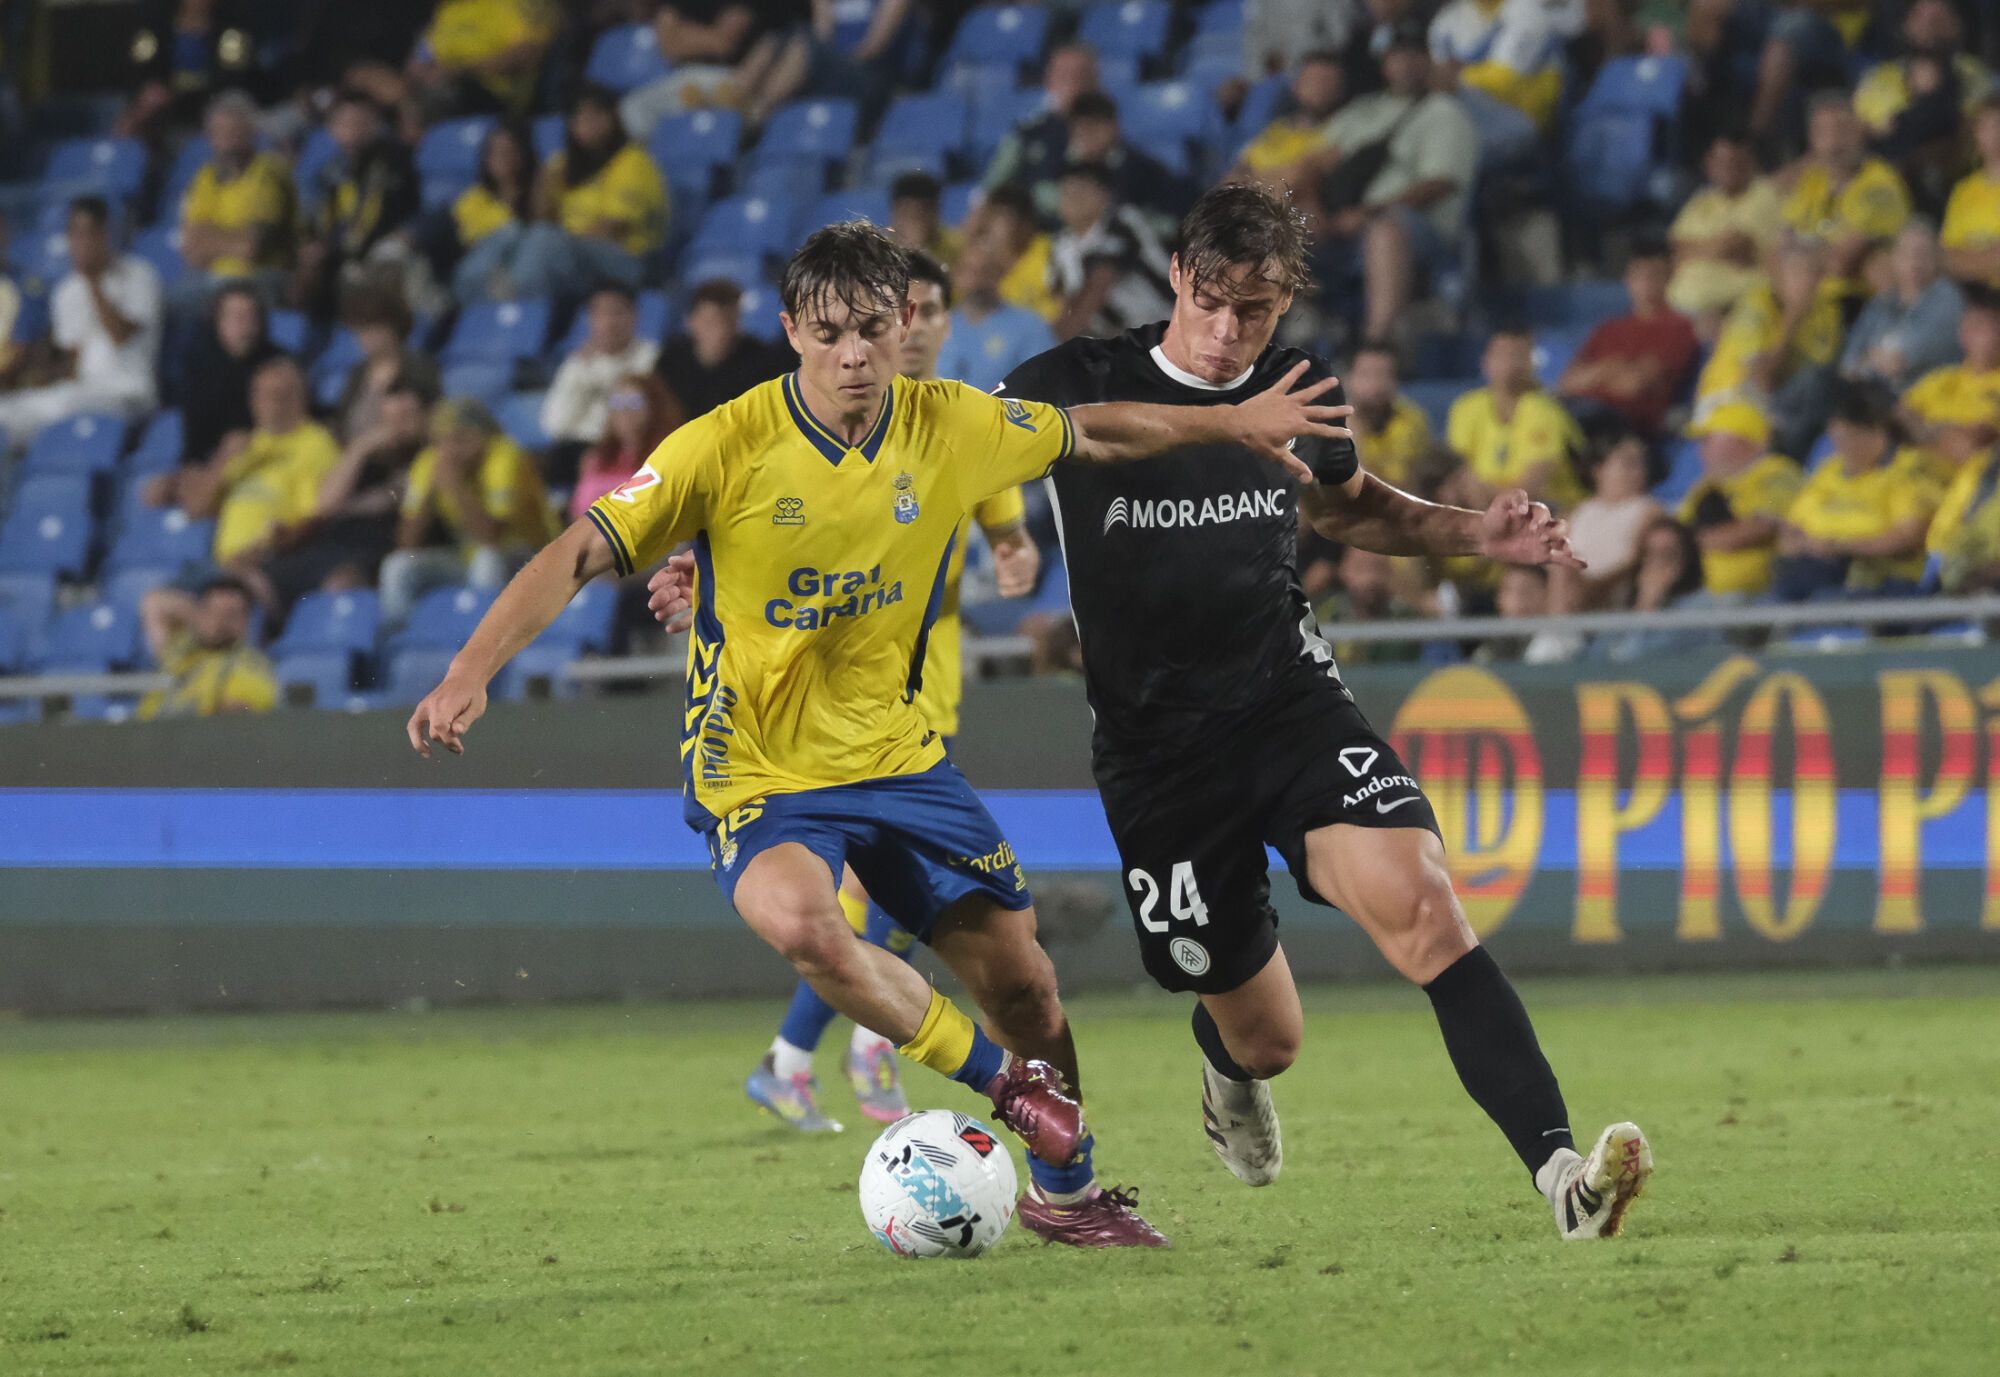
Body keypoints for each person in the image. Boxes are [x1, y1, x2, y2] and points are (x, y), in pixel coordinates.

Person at [407, 220, 1341, 1249]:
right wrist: (468, 669)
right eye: (826, 332)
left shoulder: (948, 425)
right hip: (756, 766)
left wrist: (1227, 423)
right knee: (804, 923)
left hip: (900, 758)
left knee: (1024, 987)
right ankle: (1002, 1090)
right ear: (789, 333)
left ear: (905, 323)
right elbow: (580, 551)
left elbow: (1100, 429)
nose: (851, 354)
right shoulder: (721, 446)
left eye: (868, 329)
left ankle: (1067, 1192)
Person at [930, 181, 1647, 1241]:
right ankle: (1226, 1069)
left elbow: (1346, 507)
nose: (1227, 333)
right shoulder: (1069, 377)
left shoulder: (1299, 395)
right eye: (1211, 301)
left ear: (1283, 306)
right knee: (1265, 1038)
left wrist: (1469, 537)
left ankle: (1559, 1180)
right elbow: (1047, 441)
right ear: (1176, 276)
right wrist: (1224, 420)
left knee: (1423, 906)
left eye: (1254, 313)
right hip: (1157, 757)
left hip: (1286, 704)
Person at [718, 252, 1044, 1132]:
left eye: (934, 311)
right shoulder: (811, 428)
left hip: (923, 675)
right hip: (836, 701)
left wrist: (1014, 551)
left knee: (893, 882)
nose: (926, 324)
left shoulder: (957, 424)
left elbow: (1005, 529)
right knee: (883, 881)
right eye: (919, 308)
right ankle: (850, 1046)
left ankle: (806, 1053)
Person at [1288, 21, 1480, 348]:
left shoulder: (1445, 112)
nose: (1404, 62)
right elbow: (1313, 165)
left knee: (1385, 231)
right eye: (1395, 55)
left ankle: (1377, 343)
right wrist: (1312, 207)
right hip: (1344, 220)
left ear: (1427, 60)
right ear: (1384, 63)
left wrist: (1366, 213)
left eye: (1413, 55)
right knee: (1272, 222)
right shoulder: (1365, 110)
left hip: (1419, 229)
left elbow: (1439, 183)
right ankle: (1290, 330)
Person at [469, 85, 667, 306]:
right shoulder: (564, 165)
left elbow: (612, 228)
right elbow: (540, 218)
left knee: (543, 240)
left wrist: (561, 245)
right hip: (573, 259)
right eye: (579, 116)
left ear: (612, 119)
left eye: (595, 115)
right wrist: (543, 181)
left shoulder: (632, 161)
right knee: (514, 237)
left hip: (626, 261)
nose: (587, 123)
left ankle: (513, 302)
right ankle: (483, 299)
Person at [255, 379, 430, 612]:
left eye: (406, 417)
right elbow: (324, 507)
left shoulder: (427, 460)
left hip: (373, 549)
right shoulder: (366, 462)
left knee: (340, 584)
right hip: (328, 544)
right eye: (389, 419)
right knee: (256, 579)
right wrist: (361, 448)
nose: (397, 429)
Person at [0, 198, 163, 446]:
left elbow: (120, 336)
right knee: (7, 410)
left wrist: (93, 282)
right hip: (83, 390)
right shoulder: (66, 290)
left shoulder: (140, 274)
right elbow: (73, 360)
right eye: (74, 233)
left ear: (105, 235)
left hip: (128, 391)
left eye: (89, 233)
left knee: (61, 406)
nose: (81, 243)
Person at [381, 397, 557, 623]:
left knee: (487, 559)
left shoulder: (505, 457)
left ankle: (482, 644)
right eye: (441, 441)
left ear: (483, 436)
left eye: (460, 439)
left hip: (534, 555)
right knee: (397, 566)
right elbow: (406, 543)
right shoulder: (431, 461)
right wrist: (430, 495)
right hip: (467, 557)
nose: (450, 450)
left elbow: (491, 537)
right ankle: (400, 644)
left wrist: (454, 486)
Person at [171, 356, 341, 569]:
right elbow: (195, 509)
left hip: (271, 562)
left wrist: (269, 546)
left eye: (276, 395)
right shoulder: (246, 444)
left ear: (298, 398)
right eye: (259, 395)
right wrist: (222, 461)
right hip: (221, 563)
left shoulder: (316, 443)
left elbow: (314, 516)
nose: (266, 404)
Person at [1772, 383, 1935, 600]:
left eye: (1848, 439)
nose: (1841, 449)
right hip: (1815, 569)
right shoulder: (1828, 471)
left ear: (1877, 435)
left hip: (1883, 582)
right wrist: (1808, 546)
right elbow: (1789, 533)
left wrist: (1843, 547)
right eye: (1836, 440)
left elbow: (1908, 537)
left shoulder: (1906, 471)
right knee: (1777, 596)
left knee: (1824, 600)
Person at [1693, 235, 1845, 457]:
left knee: (1822, 381)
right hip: (1728, 400)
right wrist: (1792, 319)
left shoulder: (1827, 311)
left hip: (1779, 402)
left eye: (1815, 272)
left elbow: (1816, 376)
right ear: (1780, 276)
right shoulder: (1756, 306)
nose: (1808, 281)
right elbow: (1759, 378)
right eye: (1797, 271)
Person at [294, 91, 419, 319]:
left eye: (360, 122)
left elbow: (382, 216)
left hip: (378, 249)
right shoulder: (329, 171)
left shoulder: (395, 160)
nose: (352, 130)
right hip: (338, 253)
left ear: (375, 125)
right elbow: (315, 218)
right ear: (332, 129)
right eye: (344, 123)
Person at [1556, 245, 1701, 439]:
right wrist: (1610, 368)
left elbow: (1634, 384)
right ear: (1628, 281)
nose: (1645, 283)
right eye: (1638, 276)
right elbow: (1567, 382)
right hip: (1582, 412)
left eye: (1653, 275)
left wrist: (1594, 374)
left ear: (1668, 281)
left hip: (1628, 425)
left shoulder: (1678, 327)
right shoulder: (1607, 328)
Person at [1781, 92, 1912, 301]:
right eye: (1822, 133)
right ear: (1812, 139)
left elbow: (1840, 261)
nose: (1833, 144)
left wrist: (1799, 255)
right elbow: (1779, 245)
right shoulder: (1812, 182)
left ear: (1859, 132)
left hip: (1855, 305)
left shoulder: (1881, 185)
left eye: (1842, 130)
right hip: (1808, 303)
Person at [1427, 0, 1584, 165]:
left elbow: (1503, 79)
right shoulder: (1449, 18)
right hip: (1472, 116)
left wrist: (1455, 77)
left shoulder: (1531, 6)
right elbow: (1440, 85)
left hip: (1524, 122)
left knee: (1448, 155)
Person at [1676, 401, 1804, 601]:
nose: (1700, 451)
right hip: (1697, 591)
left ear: (1741, 441)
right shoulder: (1704, 487)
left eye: (1707, 440)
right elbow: (1675, 532)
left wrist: (1689, 544)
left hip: (1751, 595)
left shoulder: (1775, 473)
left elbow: (1760, 528)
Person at [1447, 327, 1586, 508]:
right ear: (1485, 362)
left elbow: (1529, 489)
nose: (1509, 363)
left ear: (1531, 364)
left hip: (1549, 510)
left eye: (1517, 355)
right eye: (1502, 354)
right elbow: (1456, 472)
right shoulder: (1467, 407)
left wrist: (1479, 490)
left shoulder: (1545, 411)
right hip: (1488, 505)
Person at [1667, 133, 1787, 337]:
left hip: (1731, 309)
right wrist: (1715, 247)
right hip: (1680, 309)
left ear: (1751, 162)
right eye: (1721, 161)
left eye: (1736, 162)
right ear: (1708, 163)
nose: (1728, 168)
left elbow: (1738, 246)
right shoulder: (1702, 200)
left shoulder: (1765, 194)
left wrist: (1694, 250)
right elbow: (1676, 247)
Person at [177, 89, 295, 291]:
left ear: (251, 132)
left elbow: (251, 247)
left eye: (233, 131)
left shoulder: (269, 171)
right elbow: (190, 247)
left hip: (262, 277)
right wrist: (232, 238)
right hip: (210, 275)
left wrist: (210, 237)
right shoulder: (206, 175)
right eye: (219, 131)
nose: (225, 138)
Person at [540, 285, 662, 481]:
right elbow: (555, 425)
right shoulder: (577, 363)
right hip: (576, 450)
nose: (609, 322)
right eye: (600, 314)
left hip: (632, 453)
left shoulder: (653, 358)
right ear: (589, 320)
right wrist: (582, 374)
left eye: (616, 312)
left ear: (635, 316)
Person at [1048, 161, 1175, 342]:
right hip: (1117, 340)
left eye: (1080, 190)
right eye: (1066, 191)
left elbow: (1099, 284)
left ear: (1105, 195)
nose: (1072, 198)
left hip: (1166, 324)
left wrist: (1053, 343)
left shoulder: (1124, 221)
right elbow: (1063, 302)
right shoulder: (1060, 245)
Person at [1547, 431, 1663, 622]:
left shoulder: (1649, 511)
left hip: (1614, 600)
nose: (1639, 471)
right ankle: (1554, 632)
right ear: (1599, 469)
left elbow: (1634, 563)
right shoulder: (1574, 514)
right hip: (1572, 597)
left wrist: (1592, 590)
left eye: (1641, 463)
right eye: (1629, 463)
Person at [979, 43, 1102, 221]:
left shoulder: (1107, 137)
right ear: (1049, 81)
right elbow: (989, 192)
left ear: (1094, 81)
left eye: (1079, 76)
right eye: (1062, 75)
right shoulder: (1026, 134)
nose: (1071, 83)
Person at [136, 575, 278, 718]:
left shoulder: (248, 666)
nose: (220, 621)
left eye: (230, 614)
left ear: (245, 622)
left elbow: (238, 719)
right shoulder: (181, 651)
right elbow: (154, 602)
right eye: (212, 612)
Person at [1059, 92, 1198, 236]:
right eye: (1079, 131)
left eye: (1092, 129)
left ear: (1113, 127)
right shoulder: (1071, 170)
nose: (1086, 138)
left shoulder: (1143, 170)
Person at [1592, 517, 1729, 662]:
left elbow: (1640, 658)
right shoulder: (1625, 603)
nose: (1656, 564)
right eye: (1648, 554)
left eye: (1667, 554)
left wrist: (1647, 606)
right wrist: (1642, 606)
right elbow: (1598, 655)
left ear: (1685, 560)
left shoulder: (1701, 608)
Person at [176, 281, 281, 469]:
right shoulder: (201, 367)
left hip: (267, 462)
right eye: (237, 317)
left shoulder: (279, 366)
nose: (246, 326)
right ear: (218, 321)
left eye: (252, 317)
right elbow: (194, 445)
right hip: (211, 466)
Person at [654, 278, 793, 420]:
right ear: (690, 322)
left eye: (728, 321)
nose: (720, 331)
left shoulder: (761, 360)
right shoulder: (671, 360)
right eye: (710, 322)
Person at [934, 240, 1057, 395]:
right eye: (967, 269)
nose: (974, 278)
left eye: (983, 270)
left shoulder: (1030, 327)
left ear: (998, 274)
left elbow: (1047, 386)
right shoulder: (938, 325)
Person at [404, 0, 556, 123]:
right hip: (439, 86)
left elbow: (528, 56)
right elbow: (421, 55)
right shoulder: (449, 10)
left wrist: (459, 70)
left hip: (494, 94)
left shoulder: (517, 6)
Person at [330, 286, 440, 445]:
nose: (363, 336)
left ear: (393, 326)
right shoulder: (357, 373)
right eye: (359, 328)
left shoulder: (419, 368)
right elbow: (342, 421)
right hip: (357, 457)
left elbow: (430, 419)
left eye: (371, 326)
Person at [443, 122, 537, 301]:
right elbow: (468, 244)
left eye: (509, 151)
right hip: (476, 273)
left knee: (517, 232)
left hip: (518, 271)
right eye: (495, 152)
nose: (502, 158)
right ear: (486, 159)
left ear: (522, 154)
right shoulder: (472, 199)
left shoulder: (536, 194)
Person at [569, 373, 681, 520]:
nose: (625, 411)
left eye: (634, 402)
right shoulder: (593, 459)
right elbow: (578, 514)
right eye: (618, 402)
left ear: (654, 407)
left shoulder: (668, 456)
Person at [1901, 288, 2000, 445]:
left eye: (1990, 327)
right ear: (1962, 332)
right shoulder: (1940, 377)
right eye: (1974, 327)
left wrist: (1924, 428)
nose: (1987, 336)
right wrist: (1942, 432)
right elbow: (1899, 418)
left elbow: (1970, 444)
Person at [1235, 52, 1349, 183]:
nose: (1318, 88)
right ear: (1296, 86)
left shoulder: (1339, 133)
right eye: (1311, 81)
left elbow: (1294, 181)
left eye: (1326, 81)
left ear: (1340, 89)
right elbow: (1238, 170)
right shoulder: (1276, 128)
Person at [1343, 338, 1431, 485]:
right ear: (1348, 380)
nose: (1377, 385)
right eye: (1367, 375)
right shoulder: (1330, 425)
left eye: (1385, 375)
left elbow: (1414, 487)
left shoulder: (1412, 419)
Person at [1943, 95, 2000, 291]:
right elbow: (1949, 258)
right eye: (1987, 125)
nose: (1995, 132)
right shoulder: (1964, 190)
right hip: (1969, 298)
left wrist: (1972, 258)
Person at [887, 172, 959, 270]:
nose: (914, 221)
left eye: (921, 214)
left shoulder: (957, 246)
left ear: (935, 213)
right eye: (907, 213)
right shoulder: (880, 250)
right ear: (894, 213)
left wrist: (918, 251)